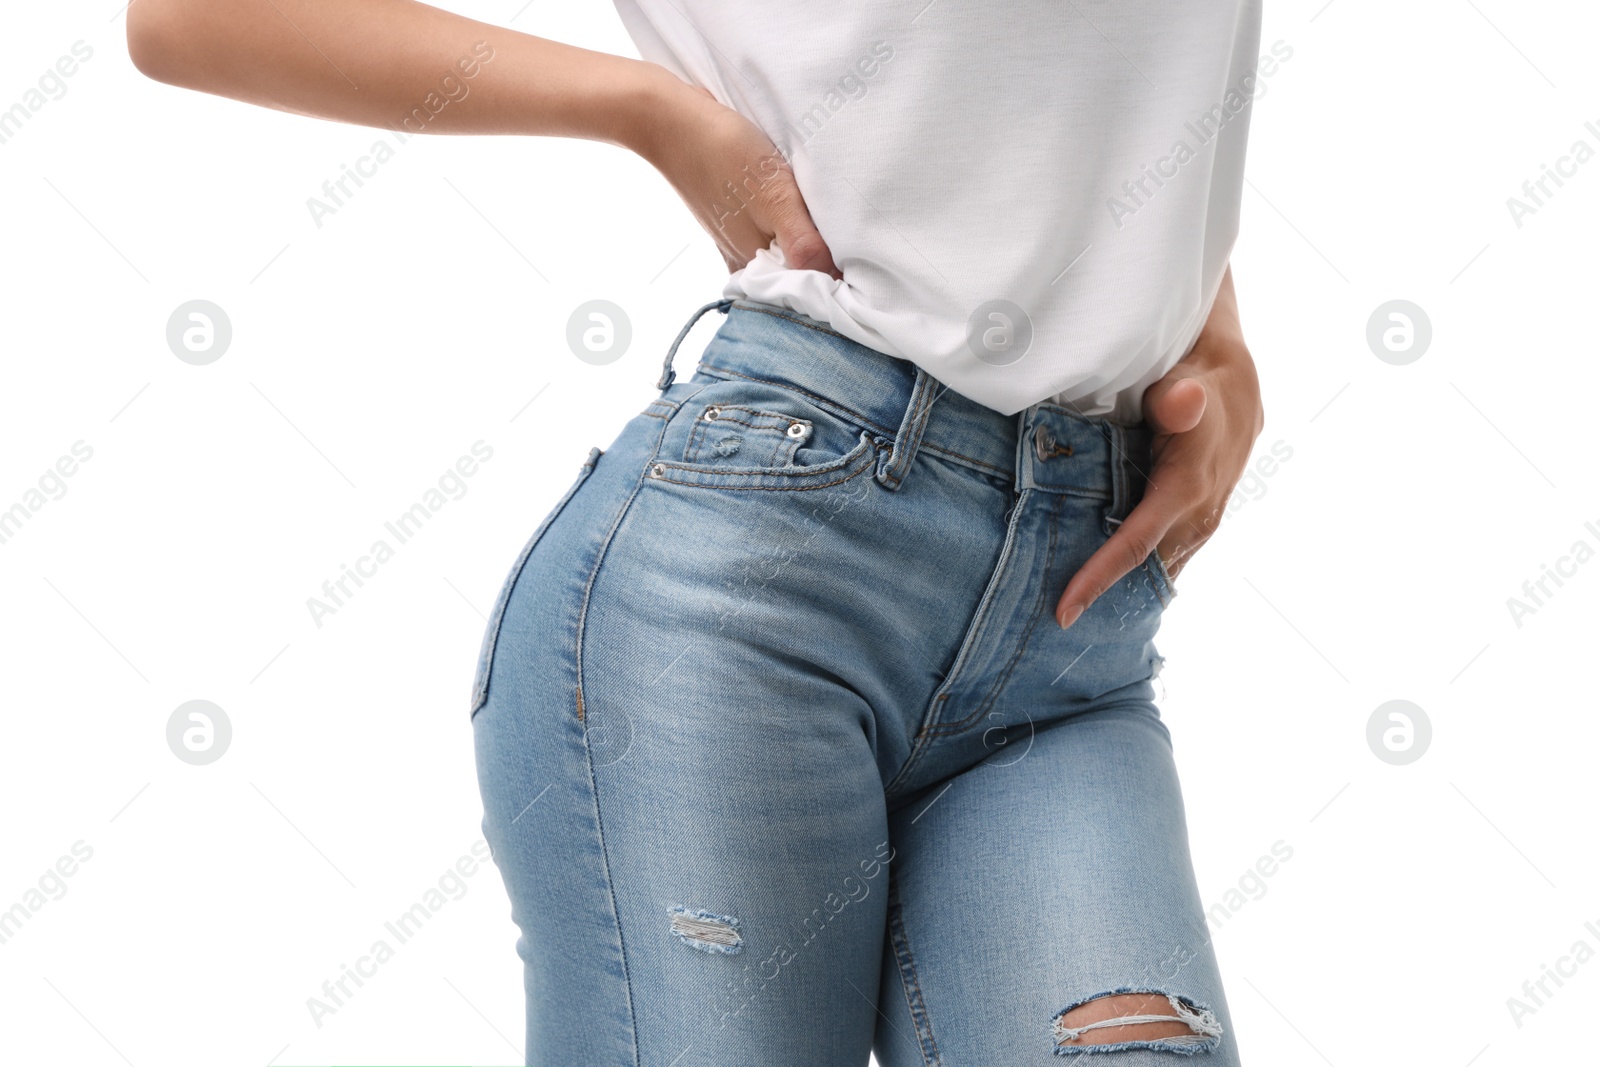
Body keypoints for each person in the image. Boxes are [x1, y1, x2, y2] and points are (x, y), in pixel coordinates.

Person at [129, 2, 1268, 1062]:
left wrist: (1195, 308)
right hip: (744, 587)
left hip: (1074, 621)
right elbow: (191, 17)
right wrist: (653, 112)